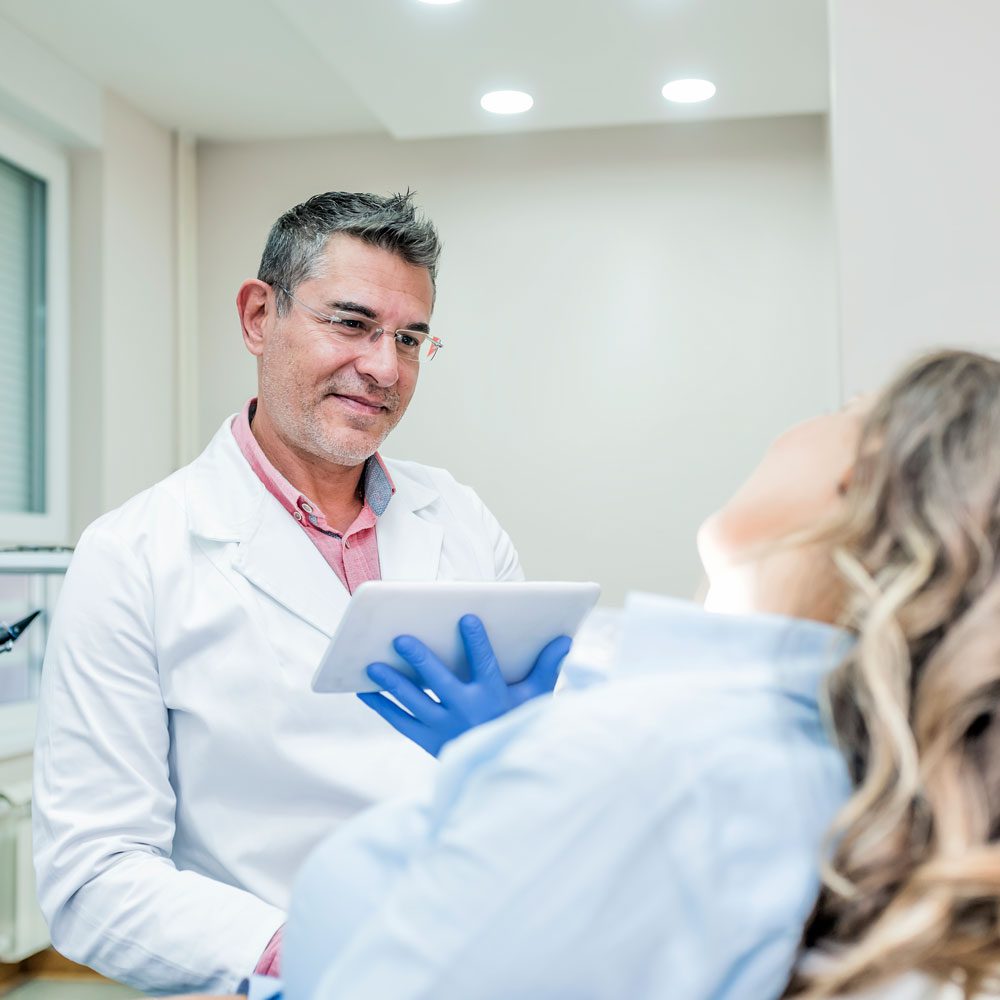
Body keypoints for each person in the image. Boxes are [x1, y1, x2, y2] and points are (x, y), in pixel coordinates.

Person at [259, 349, 1000, 999]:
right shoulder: (804, 746)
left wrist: (554, 783)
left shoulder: (654, 762)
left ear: (857, 479)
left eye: (847, 412)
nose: (384, 365)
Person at [32, 191, 567, 996]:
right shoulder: (133, 555)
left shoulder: (459, 518)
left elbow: (540, 783)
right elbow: (94, 876)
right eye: (351, 323)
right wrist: (305, 953)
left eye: (410, 338)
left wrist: (524, 756)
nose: (385, 367)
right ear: (258, 315)